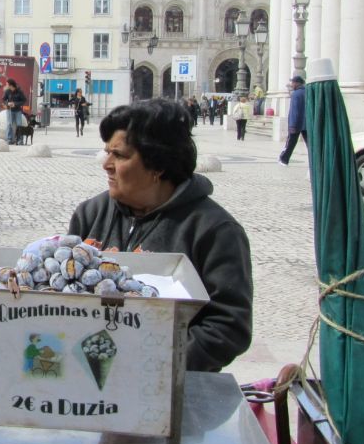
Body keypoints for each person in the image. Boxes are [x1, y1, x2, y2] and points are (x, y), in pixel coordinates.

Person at [66, 98, 253, 372]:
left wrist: (154, 362)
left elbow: (228, 327)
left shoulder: (215, 231)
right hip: (88, 378)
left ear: (158, 165)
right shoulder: (90, 214)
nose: (106, 164)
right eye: (107, 152)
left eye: (119, 155)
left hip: (170, 391)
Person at [278, 75, 308, 165]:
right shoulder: (308, 92)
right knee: (310, 145)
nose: (291, 84)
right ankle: (314, 161)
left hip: (297, 123)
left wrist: (292, 125)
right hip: (307, 123)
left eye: (293, 82)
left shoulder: (296, 94)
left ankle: (284, 159)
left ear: (297, 83)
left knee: (290, 143)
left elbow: (295, 111)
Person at [3, 78, 27, 145]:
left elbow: (24, 100)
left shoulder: (19, 91)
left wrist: (15, 104)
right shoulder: (7, 91)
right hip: (9, 110)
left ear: (11, 85)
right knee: (9, 124)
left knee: (19, 125)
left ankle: (20, 140)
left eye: (7, 84)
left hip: (17, 111)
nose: (6, 85)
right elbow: (4, 99)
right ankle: (9, 139)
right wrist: (7, 103)